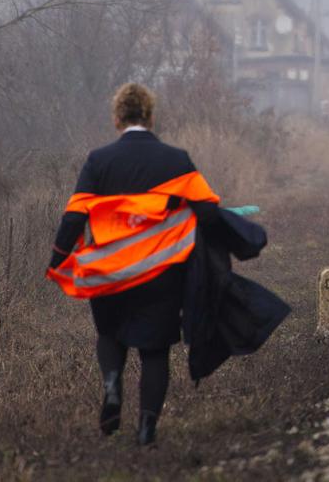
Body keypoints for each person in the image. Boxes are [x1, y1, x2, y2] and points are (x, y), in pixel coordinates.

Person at [46, 83, 221, 445]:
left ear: (117, 119)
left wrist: (57, 259)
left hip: (110, 272)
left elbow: (75, 216)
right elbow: (208, 212)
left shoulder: (99, 160)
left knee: (110, 334)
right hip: (161, 273)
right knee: (155, 350)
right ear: (151, 117)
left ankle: (112, 389)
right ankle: (146, 429)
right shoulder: (176, 160)